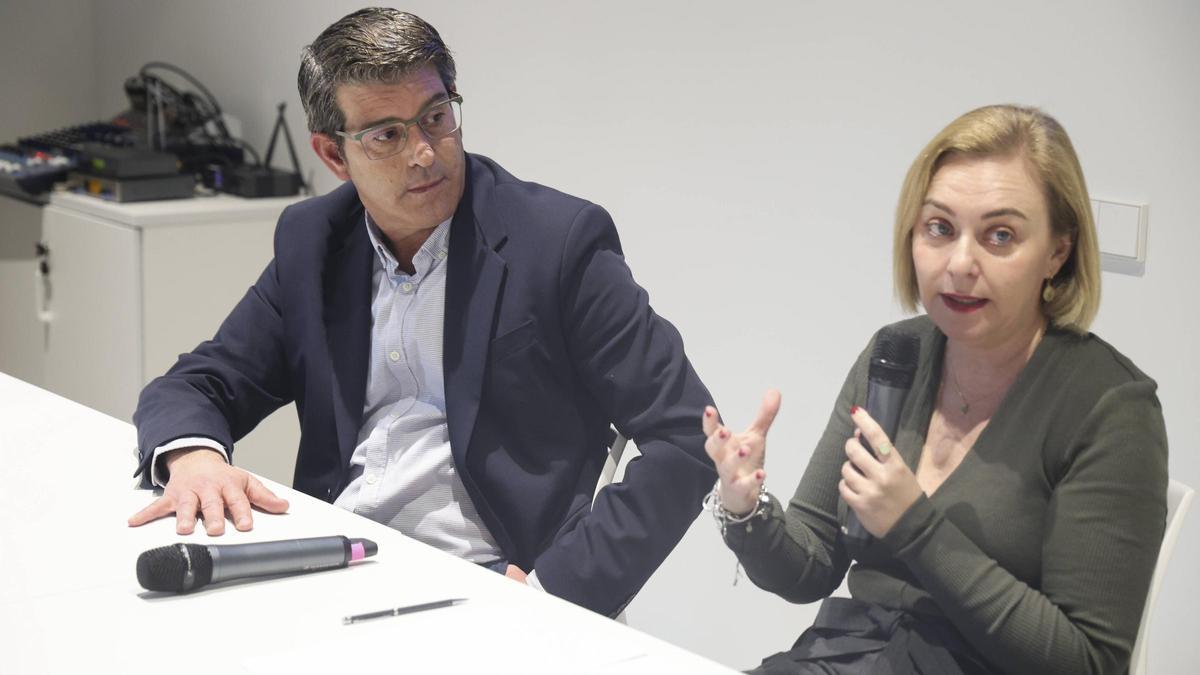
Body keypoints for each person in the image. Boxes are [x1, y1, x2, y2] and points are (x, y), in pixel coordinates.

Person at [126, 7, 716, 618]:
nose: (425, 154)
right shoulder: (314, 242)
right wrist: (195, 459)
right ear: (333, 154)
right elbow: (201, 382)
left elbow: (687, 436)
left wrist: (552, 592)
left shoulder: (557, 242)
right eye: (387, 136)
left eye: (436, 118)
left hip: (490, 585)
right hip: (331, 562)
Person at [702, 105, 1167, 673]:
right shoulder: (895, 354)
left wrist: (914, 525)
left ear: (1057, 252)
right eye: (940, 229)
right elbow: (812, 566)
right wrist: (745, 508)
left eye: (1000, 235)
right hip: (848, 657)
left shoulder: (1109, 407)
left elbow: (1088, 662)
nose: (960, 263)